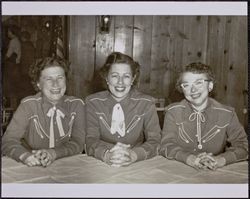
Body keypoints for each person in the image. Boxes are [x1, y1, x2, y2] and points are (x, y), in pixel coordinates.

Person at [160, 62, 248, 170]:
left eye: (199, 83)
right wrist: (190, 159)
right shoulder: (173, 112)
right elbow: (166, 145)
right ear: (182, 89)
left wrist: (220, 160)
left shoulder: (227, 114)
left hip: (215, 169)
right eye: (186, 85)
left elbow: (243, 147)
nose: (193, 90)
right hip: (180, 168)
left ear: (210, 85)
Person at [2, 57, 86, 167]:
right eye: (48, 79)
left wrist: (54, 153)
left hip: (68, 165)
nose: (56, 84)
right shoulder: (28, 105)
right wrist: (24, 156)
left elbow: (78, 142)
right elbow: (8, 141)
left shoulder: (77, 105)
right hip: (33, 164)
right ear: (38, 84)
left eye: (60, 78)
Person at [86, 52, 161, 167]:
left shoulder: (146, 103)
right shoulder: (93, 103)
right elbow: (90, 139)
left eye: (126, 76)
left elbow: (155, 140)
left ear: (133, 79)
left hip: (137, 163)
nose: (120, 82)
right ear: (107, 78)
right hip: (101, 162)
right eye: (115, 76)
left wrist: (134, 155)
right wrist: (106, 154)